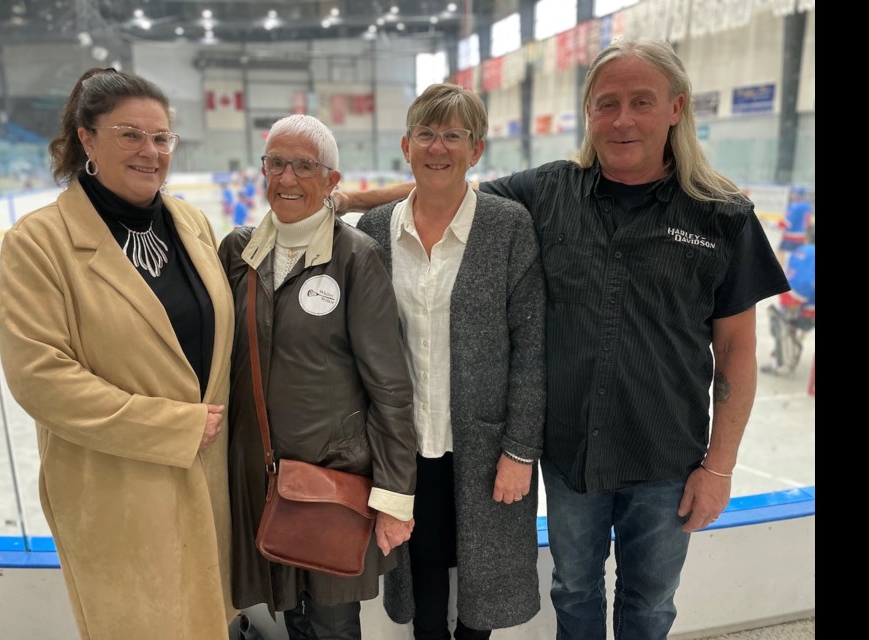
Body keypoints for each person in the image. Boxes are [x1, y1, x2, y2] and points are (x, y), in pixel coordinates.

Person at [336, 39, 791, 639]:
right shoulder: (550, 192)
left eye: (641, 101)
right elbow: (446, 189)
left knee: (650, 605)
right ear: (589, 114)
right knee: (574, 593)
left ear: (676, 108)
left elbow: (737, 350)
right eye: (607, 104)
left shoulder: (722, 215)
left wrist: (721, 467)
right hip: (571, 454)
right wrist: (342, 201)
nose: (622, 119)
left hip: (667, 456)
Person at [0, 68, 236, 639]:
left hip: (206, 484)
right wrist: (173, 426)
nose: (150, 151)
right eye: (130, 134)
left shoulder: (192, 224)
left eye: (161, 137)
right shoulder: (39, 242)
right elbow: (40, 377)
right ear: (86, 139)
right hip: (117, 493)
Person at [355, 83, 546, 640]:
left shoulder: (508, 228)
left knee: (482, 586)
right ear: (406, 145)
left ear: (477, 149)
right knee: (423, 573)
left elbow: (531, 349)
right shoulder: (375, 232)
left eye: (453, 136)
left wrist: (519, 450)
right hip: (404, 447)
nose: (439, 148)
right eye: (427, 134)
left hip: (485, 448)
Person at [217, 114, 418, 640]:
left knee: (332, 623)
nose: (286, 178)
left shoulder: (356, 258)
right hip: (259, 477)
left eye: (304, 166)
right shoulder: (238, 253)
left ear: (331, 181)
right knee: (286, 612)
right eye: (276, 163)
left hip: (334, 483)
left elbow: (391, 387)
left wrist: (395, 497)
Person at [762, 225, 815, 376]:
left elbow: (801, 284)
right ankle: (787, 352)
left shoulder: (802, 252)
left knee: (780, 322)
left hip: (801, 303)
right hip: (808, 304)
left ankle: (783, 364)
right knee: (787, 323)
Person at [777, 187, 813, 268]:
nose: (793, 195)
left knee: (780, 252)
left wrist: (775, 225)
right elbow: (808, 223)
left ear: (797, 195)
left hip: (791, 235)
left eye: (794, 194)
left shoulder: (794, 206)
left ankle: (780, 271)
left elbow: (788, 223)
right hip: (802, 235)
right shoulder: (807, 206)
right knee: (799, 254)